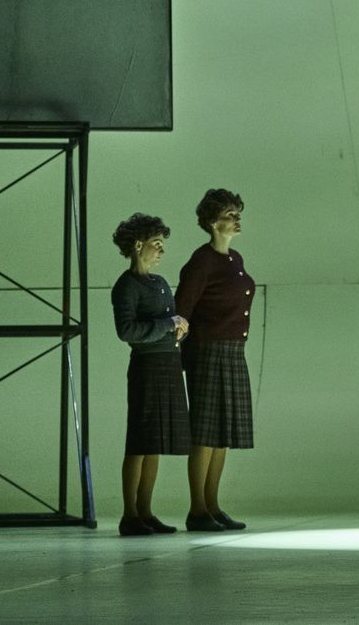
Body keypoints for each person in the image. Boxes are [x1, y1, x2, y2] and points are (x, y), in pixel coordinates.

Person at [175, 189, 255, 532]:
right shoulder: (201, 261)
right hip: (207, 352)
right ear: (212, 222)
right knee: (205, 433)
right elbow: (182, 311)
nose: (236, 219)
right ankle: (197, 509)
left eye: (237, 213)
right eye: (229, 215)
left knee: (223, 433)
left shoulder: (234, 259)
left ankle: (213, 505)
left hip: (233, 351)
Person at [110, 213, 190, 536]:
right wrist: (168, 325)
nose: (161, 250)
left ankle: (145, 511)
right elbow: (127, 330)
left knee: (154, 442)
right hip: (146, 367)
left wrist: (179, 328)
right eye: (156, 243)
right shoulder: (126, 286)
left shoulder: (159, 283)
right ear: (138, 245)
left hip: (168, 363)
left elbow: (168, 322)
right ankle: (130, 514)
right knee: (139, 442)